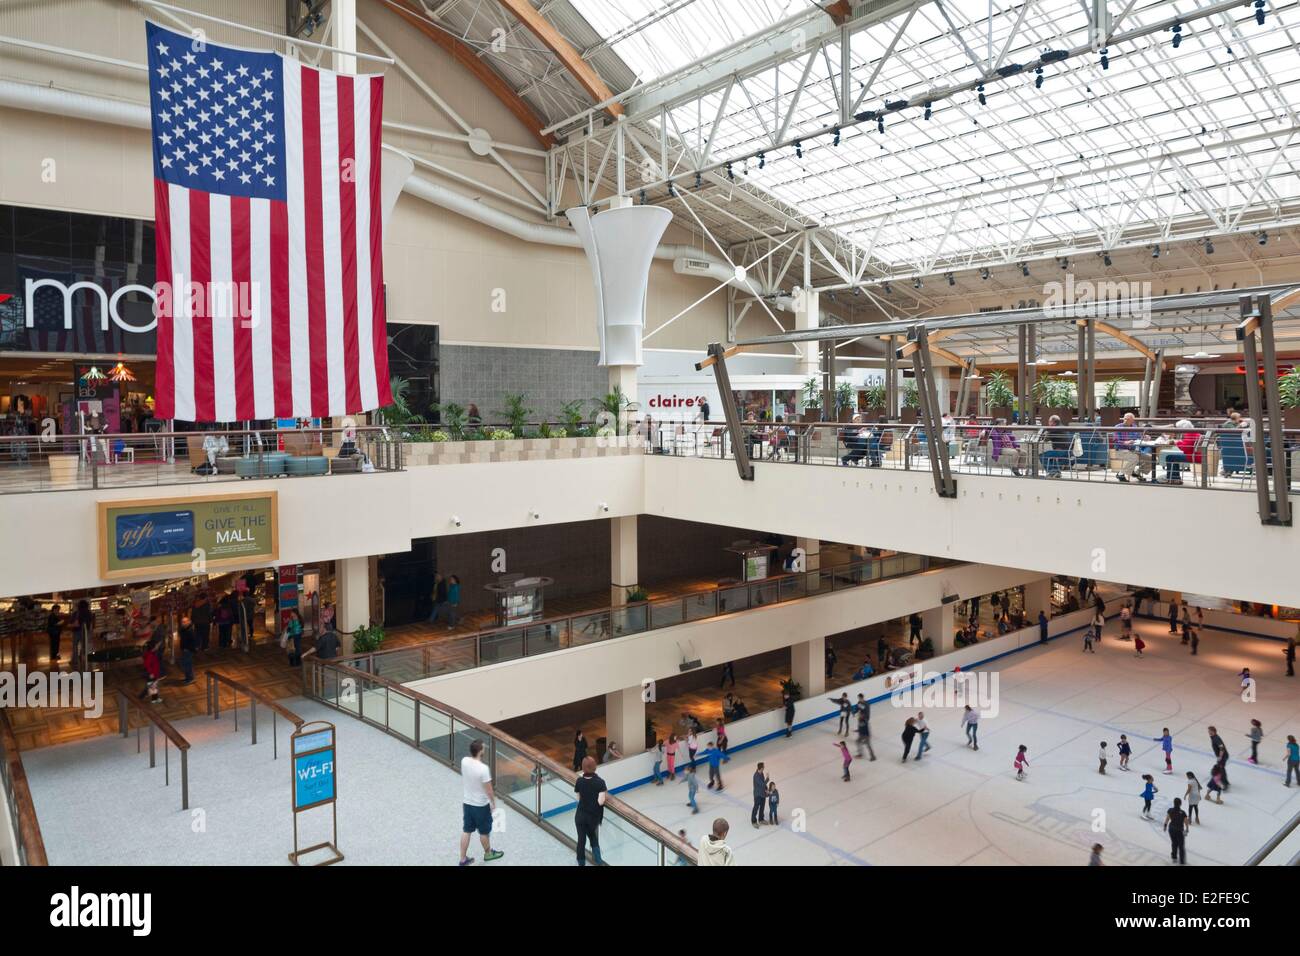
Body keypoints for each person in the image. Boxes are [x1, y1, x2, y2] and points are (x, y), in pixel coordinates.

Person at [458, 739, 504, 865]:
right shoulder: (483, 769)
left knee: (467, 830)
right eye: (483, 748)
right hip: (480, 806)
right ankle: (488, 854)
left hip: (467, 803)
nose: (484, 749)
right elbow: (489, 790)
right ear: (480, 751)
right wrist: (493, 803)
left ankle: (462, 859)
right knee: (484, 831)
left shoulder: (464, 761)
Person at [573, 756, 607, 866]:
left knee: (581, 840)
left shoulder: (579, 781)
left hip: (580, 816)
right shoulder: (600, 782)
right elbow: (601, 801)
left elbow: (578, 798)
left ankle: (581, 863)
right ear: (594, 767)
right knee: (592, 836)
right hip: (592, 817)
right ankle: (598, 860)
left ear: (583, 767)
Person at [1111, 412, 1144, 481]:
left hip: (1134, 449)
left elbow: (1139, 437)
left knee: (1149, 457)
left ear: (1132, 420)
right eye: (1125, 419)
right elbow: (1115, 440)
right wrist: (1125, 442)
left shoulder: (1135, 427)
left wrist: (1144, 437)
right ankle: (1120, 474)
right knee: (1134, 457)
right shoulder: (1118, 427)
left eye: (1128, 419)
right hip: (1121, 450)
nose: (1125, 420)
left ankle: (1135, 472)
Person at [1164, 798, 1190, 865]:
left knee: (1174, 843)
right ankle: (1182, 861)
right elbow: (1186, 822)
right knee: (1181, 845)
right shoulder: (1183, 812)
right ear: (1180, 804)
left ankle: (1174, 857)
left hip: (1171, 829)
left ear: (1174, 803)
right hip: (1179, 830)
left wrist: (1165, 826)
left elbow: (1167, 818)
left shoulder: (1170, 810)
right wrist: (1187, 829)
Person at [854, 695, 877, 760]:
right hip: (862, 734)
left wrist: (866, 737)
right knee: (857, 742)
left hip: (866, 735)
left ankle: (873, 756)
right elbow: (860, 727)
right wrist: (858, 730)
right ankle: (860, 754)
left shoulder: (865, 721)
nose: (858, 716)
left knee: (868, 745)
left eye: (859, 715)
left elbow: (866, 728)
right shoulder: (860, 720)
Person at [177, 614, 197, 685]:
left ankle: (190, 678)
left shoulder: (190, 631)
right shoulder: (184, 629)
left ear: (189, 622)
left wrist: (187, 649)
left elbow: (194, 642)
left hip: (188, 650)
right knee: (186, 664)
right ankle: (188, 677)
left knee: (187, 664)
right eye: (182, 622)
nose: (183, 623)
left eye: (185, 622)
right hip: (185, 649)